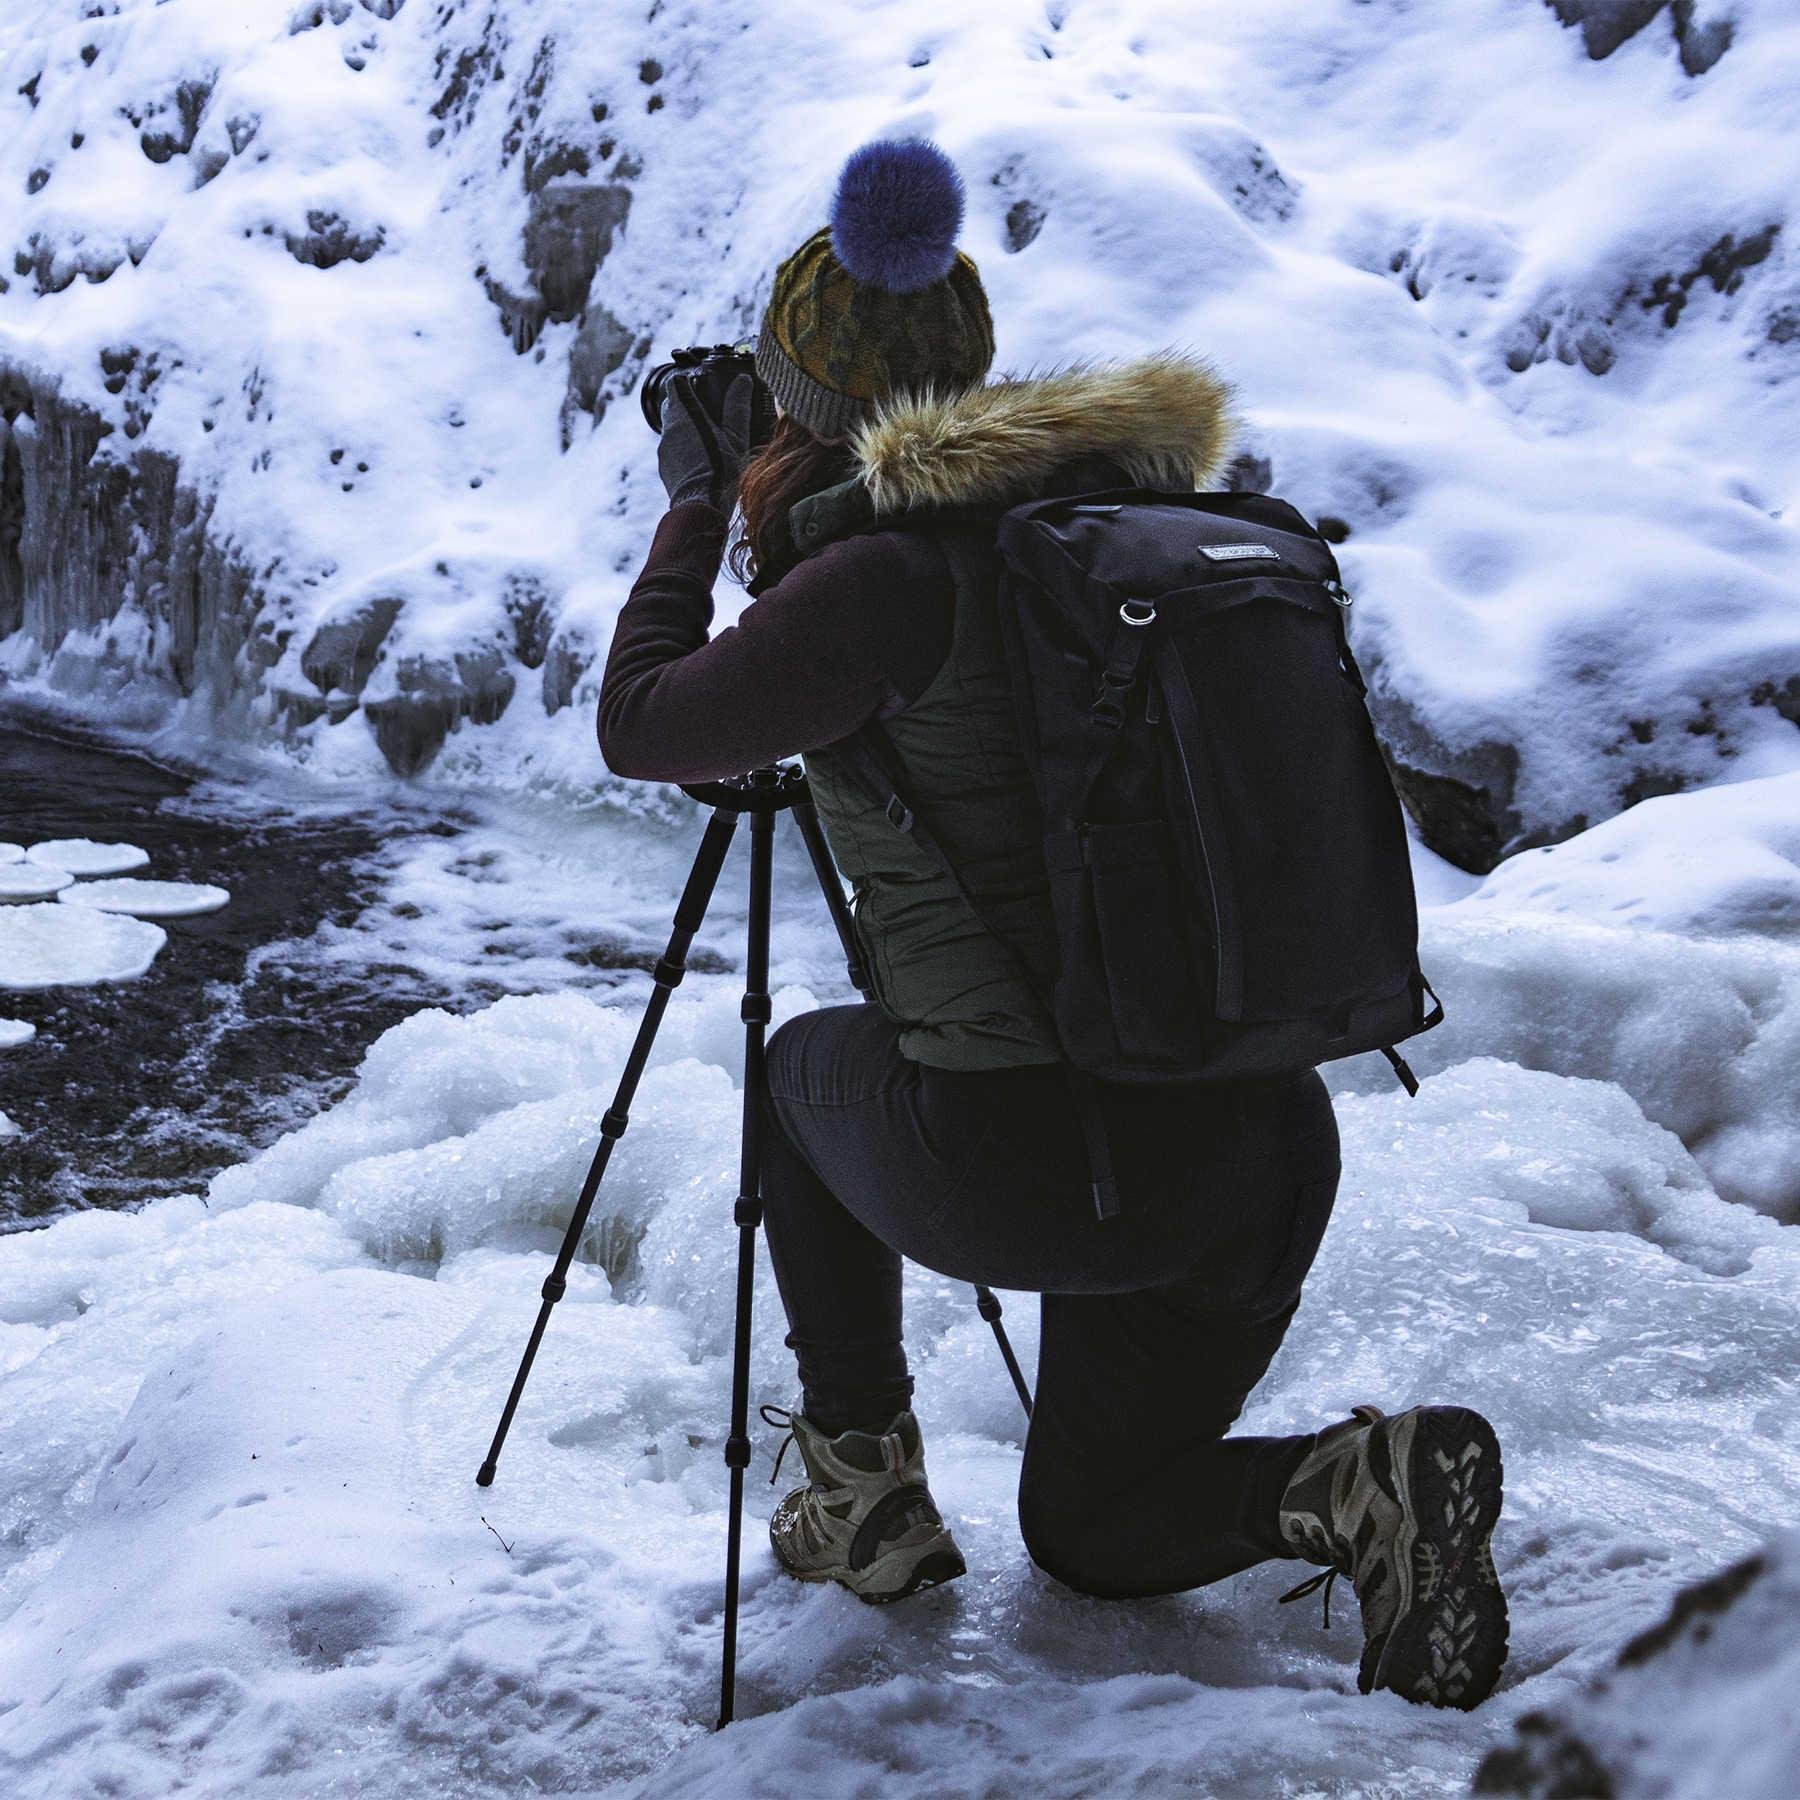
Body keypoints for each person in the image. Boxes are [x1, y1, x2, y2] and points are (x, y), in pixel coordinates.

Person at [598, 138, 1508, 1711]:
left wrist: (694, 505)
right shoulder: (1113, 529)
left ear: (801, 410)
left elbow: (650, 723)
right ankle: (1364, 1484)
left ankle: (861, 1491)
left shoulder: (881, 582)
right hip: (1263, 1150)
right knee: (1094, 1530)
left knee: (793, 1083)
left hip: (1042, 1163)